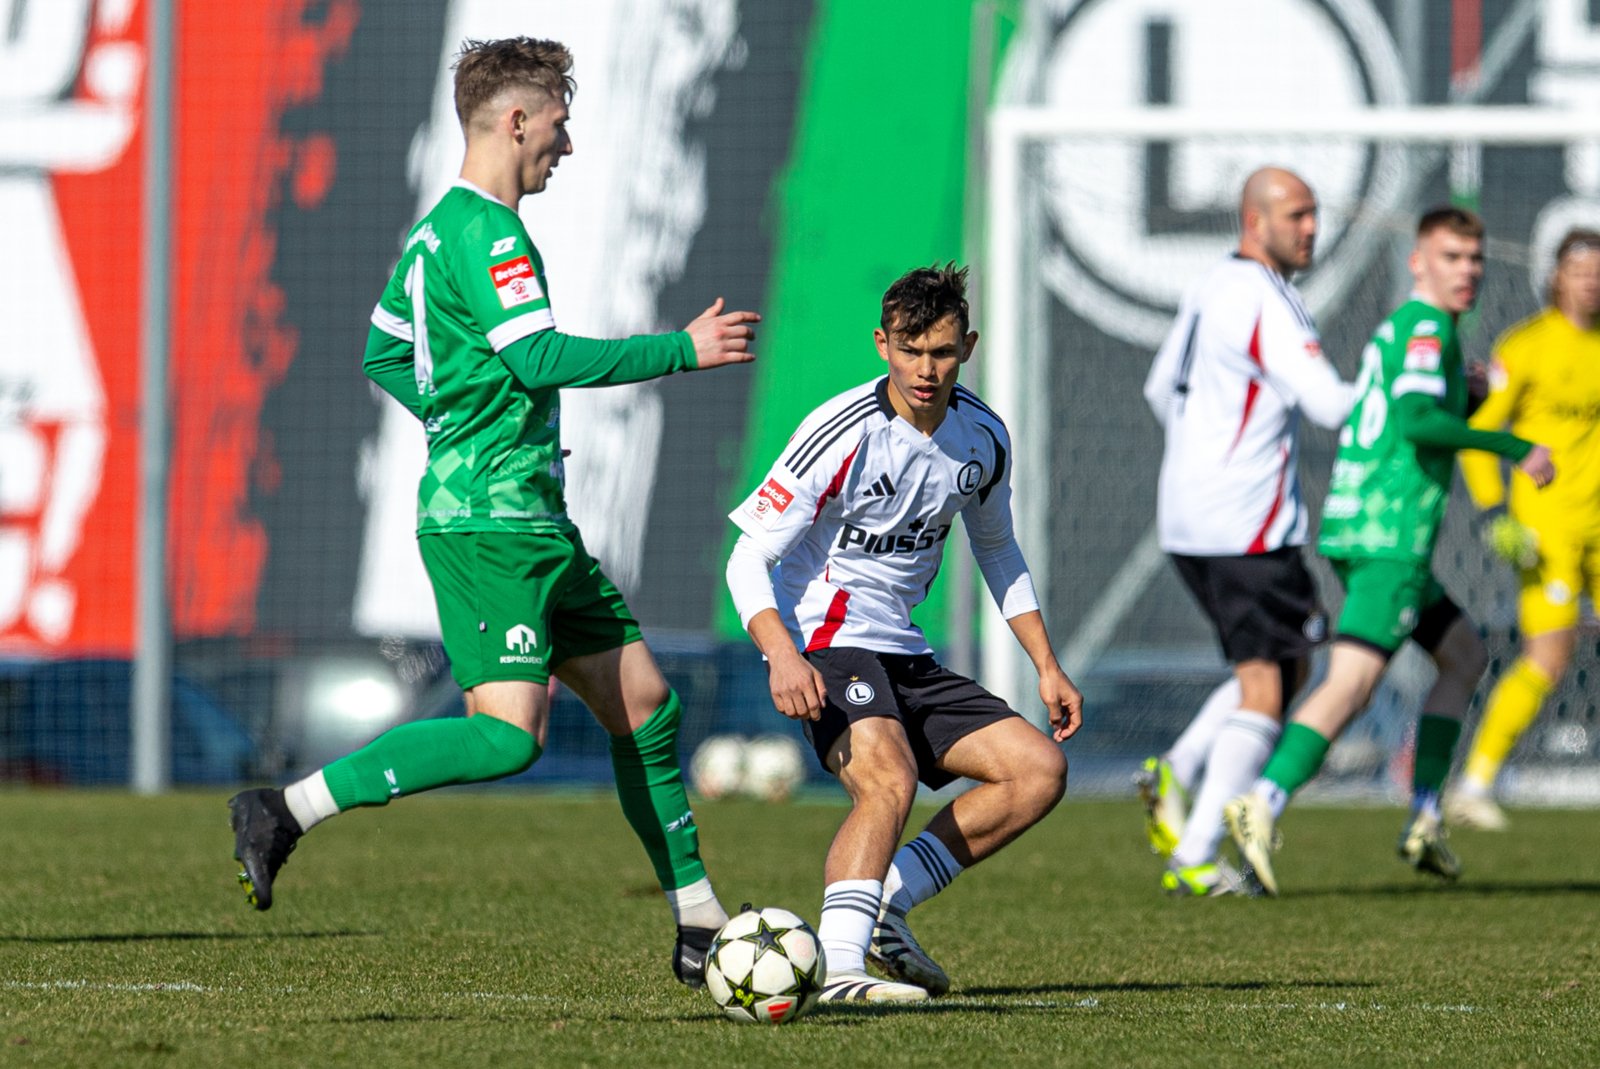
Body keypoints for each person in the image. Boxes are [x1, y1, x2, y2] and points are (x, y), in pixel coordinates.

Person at [227, 37, 759, 988]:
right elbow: (539, 358)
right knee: (510, 734)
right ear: (516, 121)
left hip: (533, 521)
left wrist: (459, 415)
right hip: (490, 526)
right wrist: (679, 349)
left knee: (646, 707)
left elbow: (386, 354)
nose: (566, 143)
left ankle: (696, 919)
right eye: (558, 122)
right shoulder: (491, 235)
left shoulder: (433, 235)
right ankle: (284, 809)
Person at [724, 264, 1082, 1002]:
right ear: (882, 343)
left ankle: (885, 901)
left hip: (905, 650)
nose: (926, 369)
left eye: (943, 352)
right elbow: (747, 555)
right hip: (825, 637)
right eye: (911, 349)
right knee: (888, 778)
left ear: (968, 347)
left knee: (1037, 769)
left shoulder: (982, 437)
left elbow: (997, 547)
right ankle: (843, 966)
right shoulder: (840, 431)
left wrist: (1046, 663)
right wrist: (781, 653)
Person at [1225, 207, 1556, 895]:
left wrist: (1463, 397)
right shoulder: (1428, 327)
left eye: (1475, 258)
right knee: (1353, 680)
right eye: (1452, 256)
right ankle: (1263, 800)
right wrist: (1514, 445)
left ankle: (1426, 813)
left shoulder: (1407, 330)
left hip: (1367, 525)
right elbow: (1414, 420)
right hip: (1390, 534)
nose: (1467, 270)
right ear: (1418, 260)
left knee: (1463, 655)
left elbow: (1411, 409)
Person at [1138, 168, 1354, 897]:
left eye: (1314, 213)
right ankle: (1197, 852)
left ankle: (1181, 766)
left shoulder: (1211, 284)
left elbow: (1158, 387)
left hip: (1187, 516)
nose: (1311, 229)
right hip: (1247, 523)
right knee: (1269, 681)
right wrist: (1414, 393)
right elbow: (1329, 404)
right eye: (1297, 214)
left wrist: (1205, 452)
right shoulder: (1266, 297)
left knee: (1285, 664)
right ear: (1253, 220)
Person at [1446, 228, 1600, 830]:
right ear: (1555, 277)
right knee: (1549, 656)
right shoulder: (1527, 347)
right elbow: (1478, 439)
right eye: (1580, 268)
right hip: (1549, 532)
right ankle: (1476, 781)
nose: (1591, 279)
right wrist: (1493, 514)